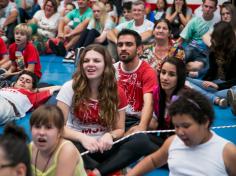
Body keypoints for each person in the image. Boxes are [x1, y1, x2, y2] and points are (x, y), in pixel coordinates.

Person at [57, 44, 157, 175]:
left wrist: (110, 135)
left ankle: (97, 172)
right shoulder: (69, 88)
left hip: (104, 147)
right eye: (86, 61)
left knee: (141, 139)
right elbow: (58, 127)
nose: (90, 64)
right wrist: (82, 137)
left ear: (106, 65)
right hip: (78, 145)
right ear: (81, 65)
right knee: (63, 145)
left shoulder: (117, 92)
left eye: (96, 61)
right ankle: (110, 170)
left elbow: (120, 129)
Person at [127, 89, 236, 176]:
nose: (179, 132)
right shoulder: (172, 142)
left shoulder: (227, 152)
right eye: (176, 126)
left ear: (205, 121)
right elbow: (153, 161)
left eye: (186, 126)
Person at [114, 29, 157, 134]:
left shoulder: (148, 71)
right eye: (120, 45)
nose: (123, 48)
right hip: (116, 118)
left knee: (151, 125)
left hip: (136, 120)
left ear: (139, 49)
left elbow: (149, 102)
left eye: (128, 44)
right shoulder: (111, 70)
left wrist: (141, 127)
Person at [187, 21, 236, 108]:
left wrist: (218, 86)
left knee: (226, 92)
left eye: (215, 36)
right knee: (187, 80)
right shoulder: (213, 51)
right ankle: (218, 98)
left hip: (230, 85)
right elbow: (211, 72)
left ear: (223, 38)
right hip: (217, 83)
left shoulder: (234, 52)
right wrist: (205, 82)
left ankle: (211, 97)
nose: (212, 38)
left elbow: (234, 79)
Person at [29, 105, 87, 176]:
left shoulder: (67, 150)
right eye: (37, 127)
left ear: (59, 132)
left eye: (48, 127)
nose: (41, 132)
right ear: (31, 129)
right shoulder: (30, 148)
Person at [177, 0, 219, 78]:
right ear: (202, 6)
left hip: (205, 51)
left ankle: (186, 74)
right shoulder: (194, 20)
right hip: (192, 47)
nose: (207, 9)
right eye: (206, 6)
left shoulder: (218, 23)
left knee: (201, 66)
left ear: (215, 9)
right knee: (179, 58)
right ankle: (179, 71)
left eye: (211, 7)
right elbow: (181, 39)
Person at [149, 57, 186, 144]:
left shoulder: (185, 99)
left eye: (171, 74)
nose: (165, 78)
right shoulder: (156, 92)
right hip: (163, 138)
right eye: (163, 72)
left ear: (180, 78)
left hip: (181, 142)